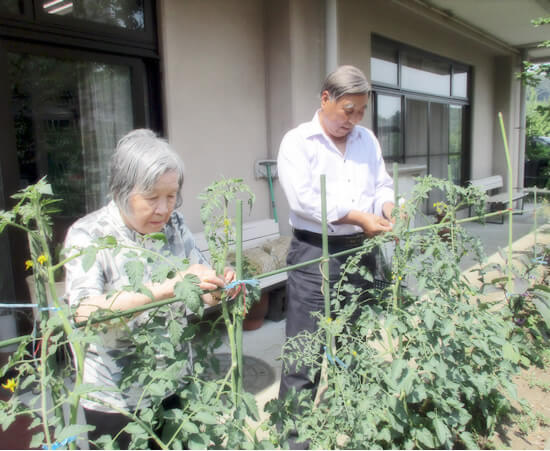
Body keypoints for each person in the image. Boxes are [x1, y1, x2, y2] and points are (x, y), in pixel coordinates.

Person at [64, 129, 234, 448]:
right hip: (117, 398)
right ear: (121, 191)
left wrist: (218, 285)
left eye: (171, 196)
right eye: (152, 197)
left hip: (175, 379)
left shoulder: (175, 225)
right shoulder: (88, 235)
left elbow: (198, 285)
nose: (164, 209)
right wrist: (170, 287)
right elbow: (85, 314)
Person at [277, 65, 395, 447]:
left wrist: (388, 207)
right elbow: (304, 199)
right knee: (305, 352)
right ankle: (294, 441)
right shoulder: (298, 142)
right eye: (349, 109)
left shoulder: (366, 140)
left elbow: (381, 183)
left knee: (353, 344)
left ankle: (353, 427)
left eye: (361, 111)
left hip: (359, 251)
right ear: (325, 99)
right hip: (314, 252)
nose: (355, 119)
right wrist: (359, 216)